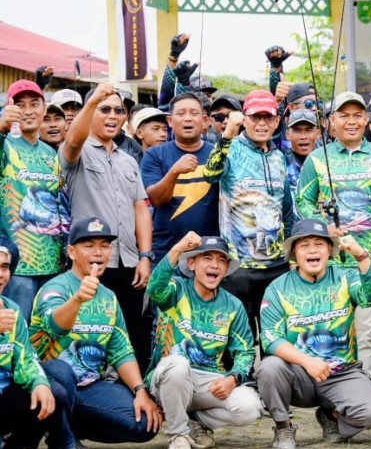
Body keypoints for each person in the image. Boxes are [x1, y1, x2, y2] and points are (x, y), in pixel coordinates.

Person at [296, 91, 371, 378]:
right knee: (332, 329)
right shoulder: (317, 159)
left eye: (357, 115)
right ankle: (330, 387)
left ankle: (365, 386)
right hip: (330, 261)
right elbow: (302, 201)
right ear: (331, 121)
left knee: (369, 330)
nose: (351, 121)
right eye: (344, 115)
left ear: (366, 120)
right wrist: (323, 227)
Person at [31, 217, 162, 449]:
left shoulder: (109, 297)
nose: (98, 252)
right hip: (49, 384)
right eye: (89, 245)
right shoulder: (55, 289)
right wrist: (77, 300)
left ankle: (69, 426)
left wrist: (140, 391)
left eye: (104, 245)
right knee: (62, 370)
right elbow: (55, 326)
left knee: (146, 424)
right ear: (71, 251)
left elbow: (121, 350)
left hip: (89, 386)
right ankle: (60, 442)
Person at [256, 218, 371, 449]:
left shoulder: (345, 277)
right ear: (294, 253)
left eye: (319, 244)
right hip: (298, 374)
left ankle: (331, 415)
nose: (313, 250)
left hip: (341, 373)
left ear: (329, 250)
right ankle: (283, 427)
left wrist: (361, 256)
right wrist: (307, 362)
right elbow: (270, 339)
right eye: (304, 245)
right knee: (269, 367)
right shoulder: (277, 287)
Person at [59, 83, 154, 372]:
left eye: (118, 110)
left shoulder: (129, 161)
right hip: (92, 263)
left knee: (134, 331)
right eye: (104, 109)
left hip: (129, 262)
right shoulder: (78, 151)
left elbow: (141, 209)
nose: (113, 116)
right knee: (92, 334)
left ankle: (136, 392)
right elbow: (72, 141)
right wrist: (92, 101)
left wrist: (145, 257)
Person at [146, 232, 262, 449]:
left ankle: (195, 423)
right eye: (207, 258)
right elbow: (154, 287)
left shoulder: (233, 305)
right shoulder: (176, 289)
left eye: (221, 260)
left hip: (207, 381)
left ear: (226, 268)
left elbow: (245, 351)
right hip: (169, 378)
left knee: (250, 407)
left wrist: (232, 379)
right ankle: (178, 436)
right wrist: (178, 248)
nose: (214, 265)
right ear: (191, 263)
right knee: (178, 364)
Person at [205, 90, 294, 349]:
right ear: (244, 119)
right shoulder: (230, 148)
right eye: (256, 117)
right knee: (241, 341)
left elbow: (286, 210)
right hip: (239, 265)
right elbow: (210, 174)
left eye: (268, 117)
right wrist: (226, 136)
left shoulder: (279, 157)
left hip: (276, 265)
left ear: (277, 122)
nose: (262, 123)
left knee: (275, 338)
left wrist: (291, 256)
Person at [0, 238, 77, 449]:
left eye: (4, 267)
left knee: (53, 393)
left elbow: (26, 358)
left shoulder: (12, 309)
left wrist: (39, 383)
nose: (0, 274)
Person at [0, 80, 68, 321]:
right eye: (20, 105)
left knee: (46, 332)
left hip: (52, 265)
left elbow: (59, 205)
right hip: (16, 266)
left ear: (44, 108)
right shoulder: (5, 145)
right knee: (16, 330)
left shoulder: (50, 152)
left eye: (34, 104)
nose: (28, 111)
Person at [142, 92, 219, 263]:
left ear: (205, 120)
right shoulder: (154, 154)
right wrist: (174, 172)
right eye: (181, 113)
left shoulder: (217, 154)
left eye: (194, 113)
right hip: (166, 252)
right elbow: (156, 200)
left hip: (208, 253)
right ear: (170, 121)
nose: (188, 118)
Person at [283, 109, 321, 197]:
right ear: (287, 134)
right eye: (297, 131)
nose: (303, 137)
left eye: (309, 130)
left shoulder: (328, 161)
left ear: (318, 133)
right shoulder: (279, 161)